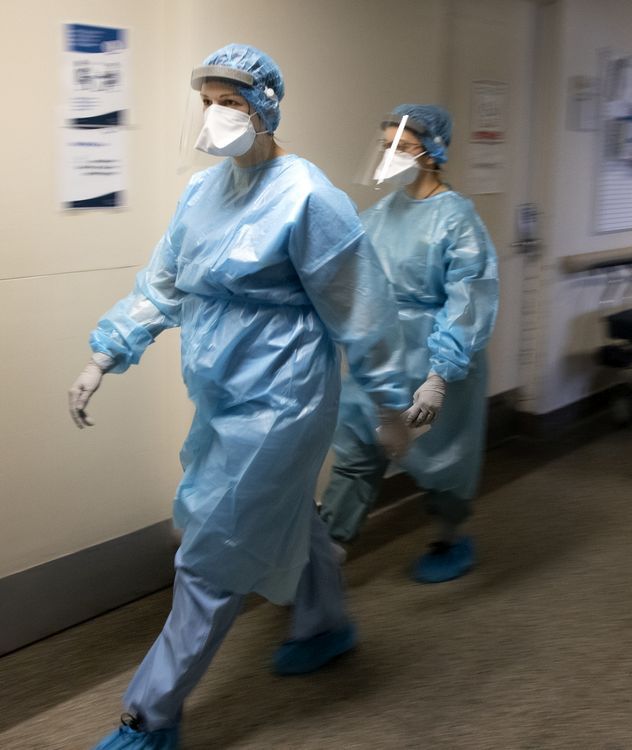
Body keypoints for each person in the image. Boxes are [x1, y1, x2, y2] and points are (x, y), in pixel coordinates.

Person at [68, 44, 412, 750]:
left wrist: (391, 401)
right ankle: (325, 624)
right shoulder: (202, 192)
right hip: (224, 392)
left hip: (284, 397)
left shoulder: (311, 197)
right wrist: (106, 352)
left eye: (231, 102)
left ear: (265, 108)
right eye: (208, 102)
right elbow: (164, 284)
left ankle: (150, 715)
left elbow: (363, 310)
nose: (217, 115)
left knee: (214, 549)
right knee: (288, 516)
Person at [319, 104, 499, 583]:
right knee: (357, 453)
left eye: (402, 145)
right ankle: (327, 553)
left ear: (433, 150)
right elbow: (353, 282)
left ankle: (449, 534)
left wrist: (440, 375)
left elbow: (468, 302)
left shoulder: (457, 220)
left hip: (436, 364)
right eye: (387, 146)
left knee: (444, 462)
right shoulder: (378, 215)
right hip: (378, 361)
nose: (390, 154)